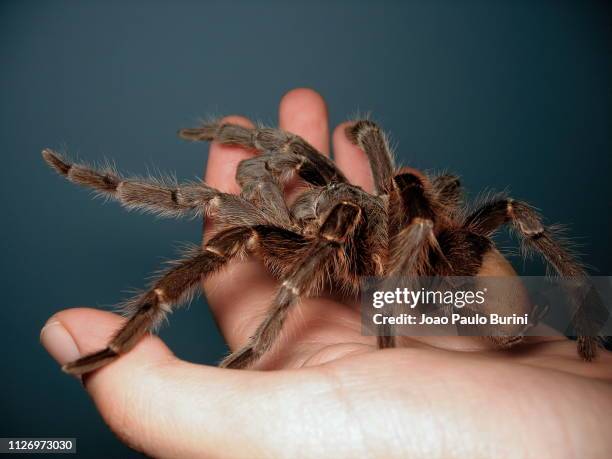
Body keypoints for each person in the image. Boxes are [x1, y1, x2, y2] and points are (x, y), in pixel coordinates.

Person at [40, 88, 612, 458]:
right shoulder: (290, 217)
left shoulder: (369, 222)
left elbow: (404, 196)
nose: (305, 196)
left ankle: (587, 322)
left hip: (451, 277)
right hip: (417, 281)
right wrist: (115, 183)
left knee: (438, 195)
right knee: (235, 211)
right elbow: (290, 163)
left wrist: (381, 312)